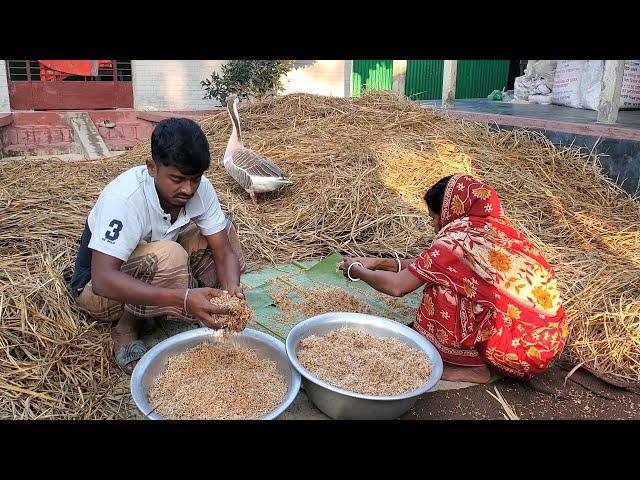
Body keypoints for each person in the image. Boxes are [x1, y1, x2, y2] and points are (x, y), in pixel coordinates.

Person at [339, 174, 570, 383]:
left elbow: (398, 287)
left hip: (518, 354)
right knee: (446, 276)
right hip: (542, 343)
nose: (433, 224)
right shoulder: (494, 228)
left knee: (443, 289)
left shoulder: (455, 242)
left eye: (433, 217)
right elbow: (432, 263)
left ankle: (473, 369)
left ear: (450, 210)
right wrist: (379, 263)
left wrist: (357, 271)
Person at [70, 118, 245, 374]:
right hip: (97, 291)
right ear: (152, 167)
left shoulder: (200, 189)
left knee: (224, 228)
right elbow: (102, 280)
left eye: (195, 179)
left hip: (147, 271)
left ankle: (198, 305)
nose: (188, 189)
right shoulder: (124, 198)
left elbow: (223, 250)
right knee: (169, 254)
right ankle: (126, 328)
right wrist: (183, 298)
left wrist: (232, 292)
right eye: (177, 179)